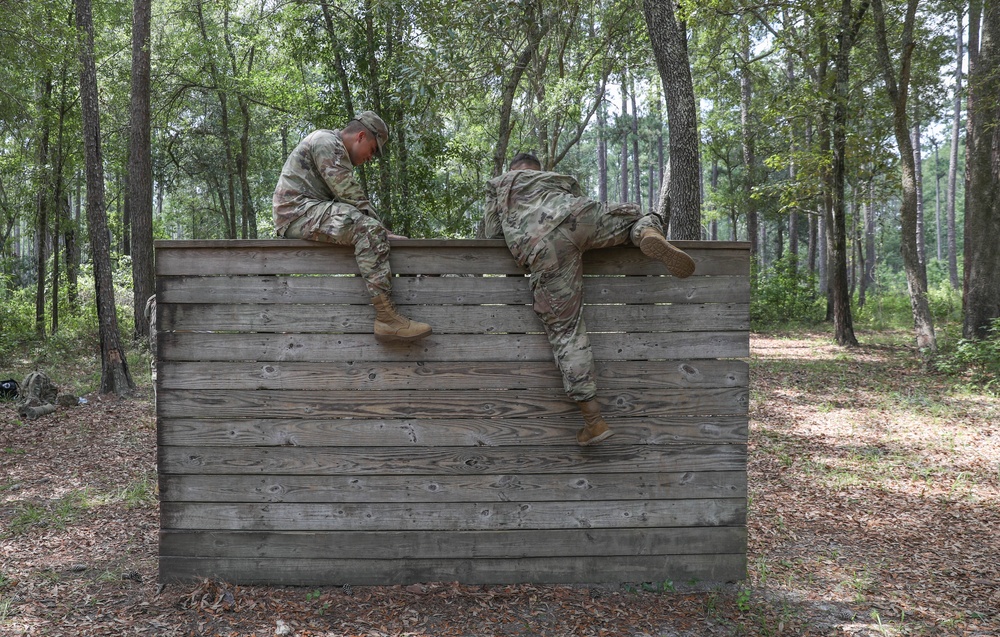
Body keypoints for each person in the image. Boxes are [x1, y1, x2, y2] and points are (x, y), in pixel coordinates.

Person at [482, 152, 695, 446]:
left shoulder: (500, 185)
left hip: (544, 245)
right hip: (579, 215)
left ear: (513, 170)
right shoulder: (556, 180)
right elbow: (582, 202)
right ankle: (646, 231)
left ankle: (594, 422)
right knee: (637, 216)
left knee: (566, 332)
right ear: (538, 169)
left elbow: (492, 233)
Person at [273, 111, 431, 341]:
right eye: (373, 150)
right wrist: (379, 229)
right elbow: (349, 193)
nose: (370, 157)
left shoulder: (331, 145)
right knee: (367, 229)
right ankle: (387, 319)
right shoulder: (326, 142)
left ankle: (387, 317)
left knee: (367, 226)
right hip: (296, 213)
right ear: (360, 136)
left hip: (303, 213)